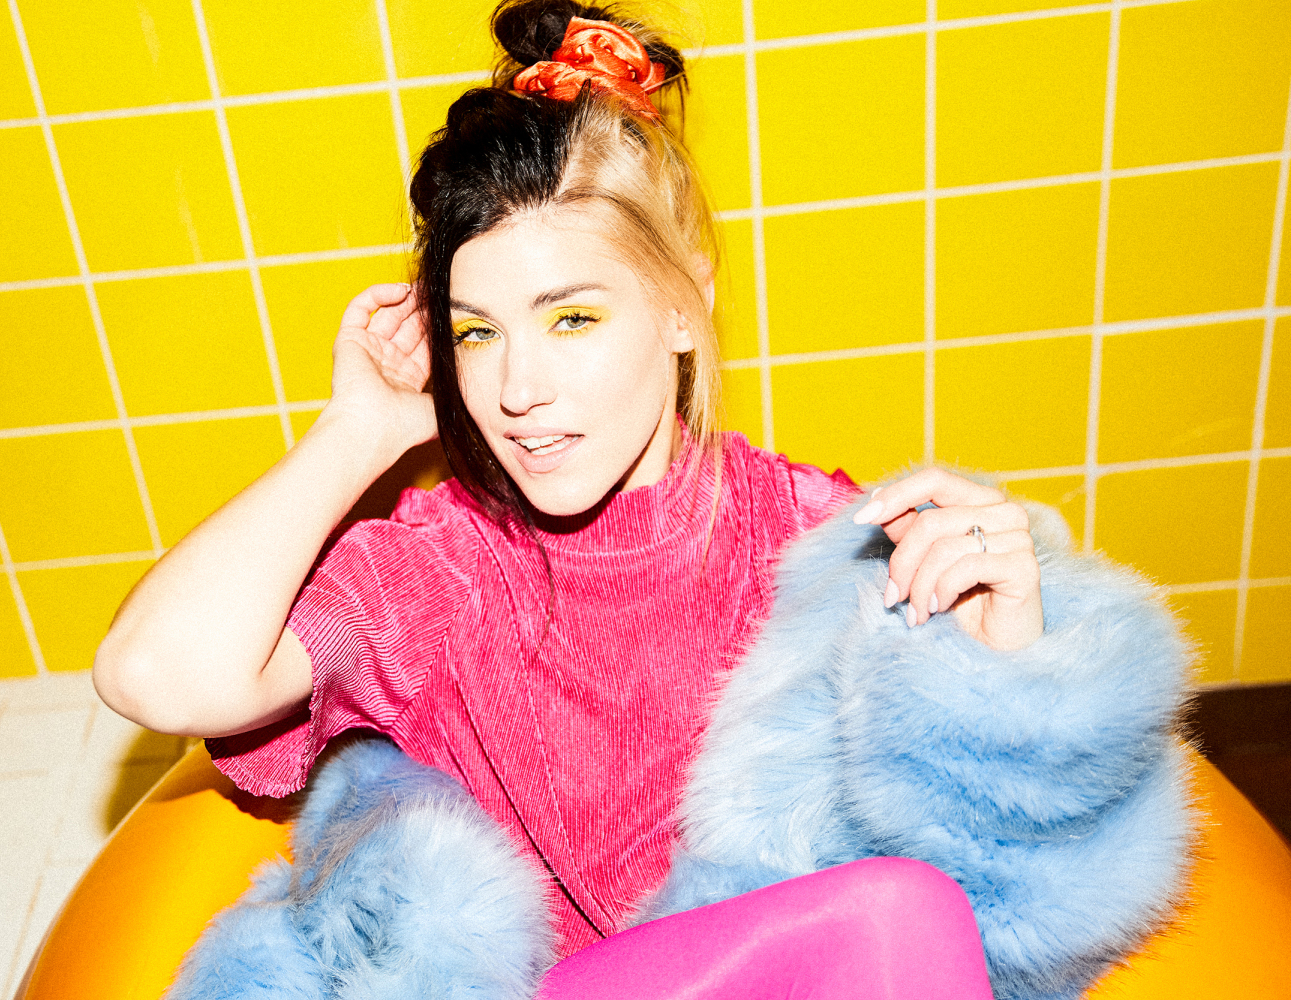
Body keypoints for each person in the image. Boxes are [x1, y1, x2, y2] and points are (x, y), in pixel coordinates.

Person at [93, 4, 1185, 998]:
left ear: (680, 305)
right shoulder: (442, 570)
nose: (516, 389)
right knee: (895, 920)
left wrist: (1006, 673)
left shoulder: (819, 541)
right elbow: (154, 674)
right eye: (477, 332)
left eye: (571, 318)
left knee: (903, 917)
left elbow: (1011, 899)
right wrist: (358, 434)